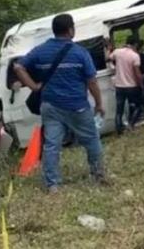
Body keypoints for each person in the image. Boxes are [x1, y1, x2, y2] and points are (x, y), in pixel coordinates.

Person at [13, 14, 105, 193]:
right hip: (77, 106)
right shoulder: (80, 52)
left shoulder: (40, 51)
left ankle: (52, 184)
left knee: (52, 145)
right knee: (91, 140)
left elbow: (18, 67)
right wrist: (99, 104)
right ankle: (98, 174)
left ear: (54, 31)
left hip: (51, 106)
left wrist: (33, 86)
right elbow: (92, 81)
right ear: (70, 30)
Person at [107, 36, 144, 134]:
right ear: (135, 44)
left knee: (119, 110)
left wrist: (109, 49)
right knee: (138, 106)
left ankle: (119, 130)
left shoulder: (117, 52)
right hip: (131, 86)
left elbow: (108, 58)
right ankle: (131, 125)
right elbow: (137, 73)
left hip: (119, 86)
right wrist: (141, 85)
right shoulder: (134, 55)